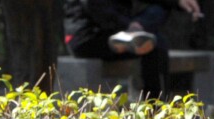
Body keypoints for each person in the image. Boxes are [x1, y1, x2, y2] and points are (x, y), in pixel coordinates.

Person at [63, 0, 202, 98]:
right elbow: (95, 7)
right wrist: (127, 26)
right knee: (155, 45)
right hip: (91, 35)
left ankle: (157, 109)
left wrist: (178, 1)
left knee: (158, 13)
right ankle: (155, 109)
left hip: (126, 30)